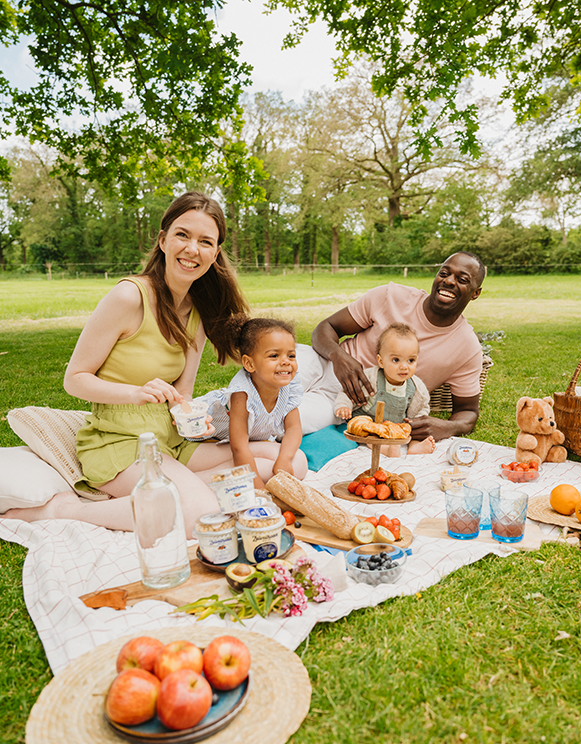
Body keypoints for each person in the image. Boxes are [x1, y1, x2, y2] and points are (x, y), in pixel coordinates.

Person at [5, 192, 291, 537]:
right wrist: (135, 392)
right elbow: (74, 379)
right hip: (120, 442)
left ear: (215, 253)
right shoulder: (129, 297)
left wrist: (192, 418)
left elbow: (183, 392)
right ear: (163, 240)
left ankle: (168, 493)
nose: (191, 249)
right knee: (200, 514)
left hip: (170, 440)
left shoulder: (198, 313)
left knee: (285, 464)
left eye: (205, 241)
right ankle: (67, 509)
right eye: (182, 235)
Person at [296, 252, 486, 441]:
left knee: (289, 421)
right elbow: (326, 327)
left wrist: (447, 427)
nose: (449, 281)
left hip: (346, 400)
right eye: (444, 273)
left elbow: (468, 411)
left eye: (462, 279)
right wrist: (338, 357)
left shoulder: (467, 348)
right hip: (323, 362)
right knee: (270, 372)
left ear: (475, 293)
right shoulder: (391, 296)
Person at [194, 317, 308, 489]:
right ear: (249, 363)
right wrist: (260, 491)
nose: (286, 361)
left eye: (291, 355)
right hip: (202, 444)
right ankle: (193, 481)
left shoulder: (288, 387)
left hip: (238, 444)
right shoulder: (242, 394)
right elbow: (239, 448)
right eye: (274, 355)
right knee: (266, 468)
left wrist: (284, 460)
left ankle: (217, 479)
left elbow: (293, 428)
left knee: (298, 462)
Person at [334, 322, 436, 457]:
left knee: (415, 432)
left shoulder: (417, 388)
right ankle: (386, 450)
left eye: (410, 360)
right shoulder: (371, 378)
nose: (404, 367)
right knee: (370, 436)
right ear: (381, 361)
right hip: (369, 424)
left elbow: (422, 408)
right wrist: (344, 406)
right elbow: (349, 392)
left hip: (395, 428)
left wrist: (416, 422)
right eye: (396, 360)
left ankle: (415, 446)